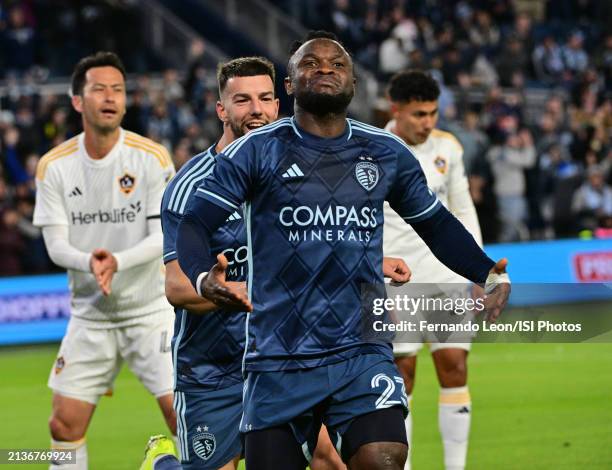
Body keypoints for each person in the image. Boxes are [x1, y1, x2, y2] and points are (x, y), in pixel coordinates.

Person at [176, 31, 510, 470]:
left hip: (359, 349)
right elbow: (195, 223)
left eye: (337, 64)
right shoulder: (254, 151)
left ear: (353, 84)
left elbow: (436, 223)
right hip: (278, 355)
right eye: (311, 63)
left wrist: (488, 273)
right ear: (290, 85)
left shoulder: (385, 152)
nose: (325, 69)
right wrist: (204, 276)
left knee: (383, 457)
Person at [151, 55, 408, 470]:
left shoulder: (302, 168)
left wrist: (366, 262)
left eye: (266, 98)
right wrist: (235, 289)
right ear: (221, 110)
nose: (256, 110)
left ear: (279, 104)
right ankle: (163, 465)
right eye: (242, 100)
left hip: (289, 357)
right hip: (216, 369)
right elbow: (175, 286)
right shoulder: (191, 186)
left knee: (334, 458)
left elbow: (318, 241)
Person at [32, 52, 177, 470]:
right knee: (63, 425)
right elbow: (55, 244)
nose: (110, 97)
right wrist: (89, 260)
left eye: (118, 89)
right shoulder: (54, 166)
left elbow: (162, 236)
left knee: (183, 417)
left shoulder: (152, 157)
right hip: (91, 316)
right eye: (99, 89)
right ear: (78, 101)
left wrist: (115, 260)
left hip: (150, 312)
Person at [382, 70, 483, 470]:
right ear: (396, 110)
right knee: (399, 378)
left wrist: (478, 269)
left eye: (432, 114)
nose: (427, 123)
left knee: (454, 367)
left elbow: (463, 210)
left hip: (447, 278)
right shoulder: (373, 148)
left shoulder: (449, 148)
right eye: (418, 114)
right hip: (395, 280)